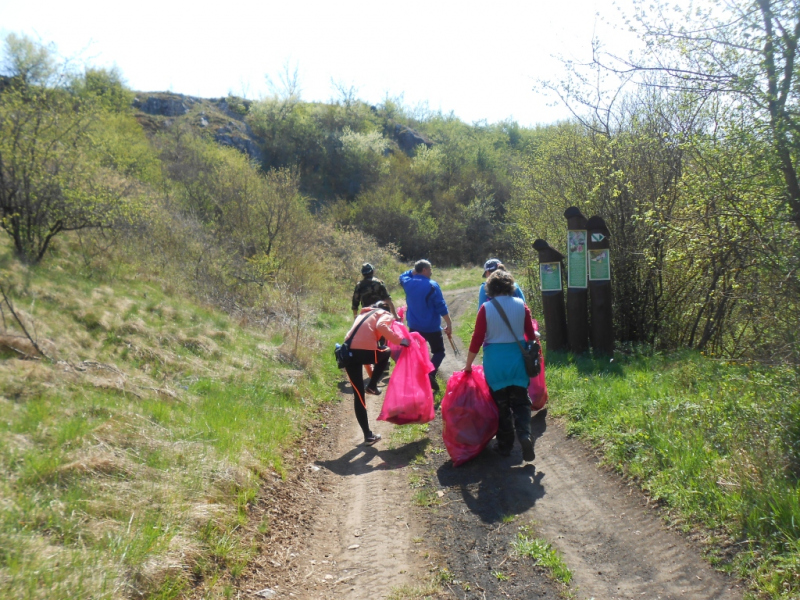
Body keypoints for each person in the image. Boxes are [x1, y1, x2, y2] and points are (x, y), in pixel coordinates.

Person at [464, 270, 537, 462]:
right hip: (518, 360)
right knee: (521, 402)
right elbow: (530, 335)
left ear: (489, 288)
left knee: (501, 405)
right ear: (510, 286)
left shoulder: (486, 308)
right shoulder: (522, 305)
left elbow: (477, 339)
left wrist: (468, 365)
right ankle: (524, 434)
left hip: (495, 362)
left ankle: (505, 445)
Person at [342, 301, 410, 446]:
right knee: (386, 351)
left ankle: (368, 436)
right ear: (386, 310)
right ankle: (372, 387)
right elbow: (381, 326)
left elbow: (364, 354)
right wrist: (400, 341)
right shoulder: (384, 314)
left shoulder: (363, 315)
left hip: (347, 353)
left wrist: (372, 377)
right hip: (362, 351)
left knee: (359, 396)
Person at [398, 260, 452, 391]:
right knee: (439, 352)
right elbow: (441, 306)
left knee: (417, 353)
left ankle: (418, 379)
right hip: (431, 327)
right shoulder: (432, 285)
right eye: (429, 269)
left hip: (414, 327)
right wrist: (449, 323)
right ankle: (430, 374)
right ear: (424, 270)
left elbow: (402, 276)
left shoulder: (407, 282)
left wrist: (414, 271)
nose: (431, 272)